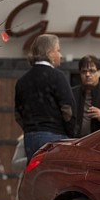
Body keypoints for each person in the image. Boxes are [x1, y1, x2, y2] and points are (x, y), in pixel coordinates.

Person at [14, 33, 76, 163]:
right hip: (54, 137)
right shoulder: (57, 77)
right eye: (58, 50)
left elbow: (18, 114)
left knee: (37, 177)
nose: (61, 55)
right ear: (49, 52)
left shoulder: (22, 81)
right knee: (54, 177)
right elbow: (68, 109)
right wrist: (71, 134)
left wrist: (30, 128)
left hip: (30, 138)